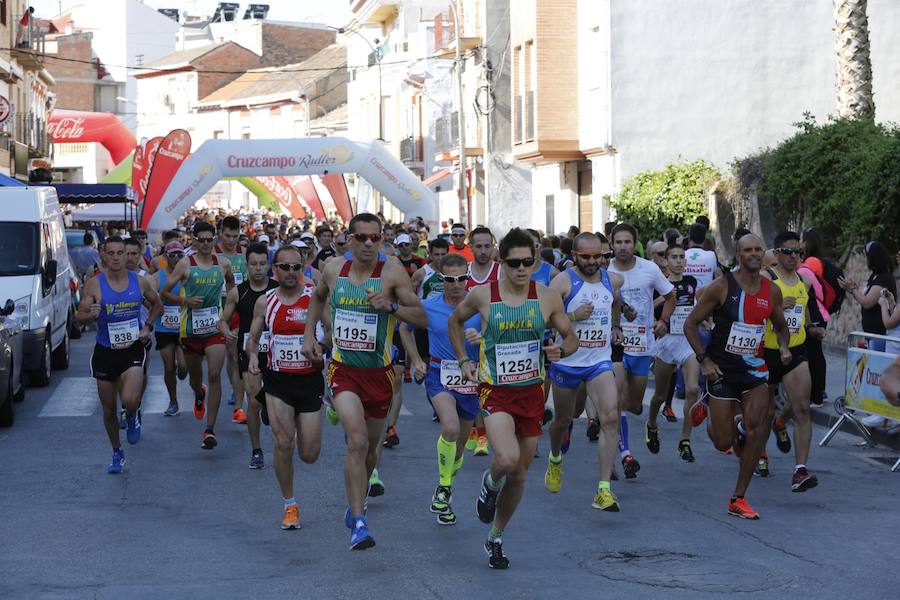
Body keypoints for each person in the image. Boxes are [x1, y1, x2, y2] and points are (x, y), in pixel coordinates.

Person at [448, 227, 577, 569]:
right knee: (505, 460)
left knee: (519, 474)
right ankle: (489, 484)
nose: (522, 269)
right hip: (496, 392)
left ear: (535, 261)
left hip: (532, 393)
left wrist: (560, 350)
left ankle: (496, 537)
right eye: (515, 263)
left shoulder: (547, 296)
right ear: (500, 262)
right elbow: (455, 321)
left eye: (528, 262)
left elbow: (571, 338)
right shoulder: (483, 295)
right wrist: (463, 359)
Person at [302, 213, 427, 550]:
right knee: (356, 441)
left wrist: (392, 307)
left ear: (382, 238)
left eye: (375, 237)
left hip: (379, 374)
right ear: (350, 238)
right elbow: (317, 297)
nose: (369, 243)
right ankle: (359, 521)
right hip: (343, 370)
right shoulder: (333, 269)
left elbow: (421, 316)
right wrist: (308, 335)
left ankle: (355, 501)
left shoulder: (391, 273)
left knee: (371, 449)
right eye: (362, 238)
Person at [684, 233, 792, 519]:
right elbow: (690, 324)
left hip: (755, 370)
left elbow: (781, 326)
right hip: (721, 370)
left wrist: (783, 347)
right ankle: (710, 410)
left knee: (758, 429)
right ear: (738, 254)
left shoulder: (772, 291)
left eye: (759, 249)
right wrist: (704, 360)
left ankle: (738, 498)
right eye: (748, 250)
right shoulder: (721, 287)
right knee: (722, 443)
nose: (754, 254)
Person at [401, 253, 482, 525]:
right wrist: (415, 360)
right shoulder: (429, 306)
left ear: (467, 278)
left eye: (461, 279)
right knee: (450, 427)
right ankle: (444, 488)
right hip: (439, 373)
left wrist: (481, 338)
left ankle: (444, 490)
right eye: (450, 279)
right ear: (441, 279)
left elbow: (499, 334)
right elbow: (404, 328)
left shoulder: (480, 306)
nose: (456, 284)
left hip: (471, 377)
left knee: (458, 448)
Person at [545, 233, 625, 510]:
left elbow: (615, 302)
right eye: (586, 257)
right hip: (568, 362)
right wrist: (572, 316)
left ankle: (603, 489)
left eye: (598, 256)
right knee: (564, 420)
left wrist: (615, 327)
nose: (593, 262)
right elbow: (544, 318)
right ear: (574, 256)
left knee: (611, 417)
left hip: (599, 362)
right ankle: (555, 458)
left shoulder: (613, 279)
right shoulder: (563, 282)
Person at [247, 245, 324, 530]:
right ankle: (289, 504)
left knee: (309, 454)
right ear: (274, 270)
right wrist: (253, 357)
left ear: (303, 268)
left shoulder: (314, 298)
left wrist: (320, 348)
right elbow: (253, 338)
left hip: (309, 379)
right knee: (283, 441)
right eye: (285, 267)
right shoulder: (265, 302)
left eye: (296, 267)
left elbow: (330, 334)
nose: (291, 273)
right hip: (278, 381)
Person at [76, 237, 162, 473]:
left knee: (130, 399)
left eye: (120, 253)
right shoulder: (94, 285)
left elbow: (158, 305)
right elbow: (79, 316)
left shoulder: (140, 282)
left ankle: (133, 414)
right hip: (105, 351)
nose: (115, 257)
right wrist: (89, 315)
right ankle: (117, 452)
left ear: (128, 255)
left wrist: (148, 326)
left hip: (133, 348)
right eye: (110, 253)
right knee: (108, 410)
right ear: (103, 255)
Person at [608, 223, 675, 479]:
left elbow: (671, 295)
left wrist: (663, 321)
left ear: (634, 243)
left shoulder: (649, 269)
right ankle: (623, 455)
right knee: (615, 404)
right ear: (612, 244)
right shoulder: (606, 270)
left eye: (628, 242)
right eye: (618, 242)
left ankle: (619, 431)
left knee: (633, 405)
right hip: (613, 343)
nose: (623, 246)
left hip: (642, 344)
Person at [161, 222, 235, 450]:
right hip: (190, 331)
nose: (205, 244)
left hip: (214, 329)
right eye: (201, 240)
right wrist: (185, 301)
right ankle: (198, 392)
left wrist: (228, 310)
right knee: (196, 379)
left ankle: (209, 429)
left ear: (214, 240)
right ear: (193, 240)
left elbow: (232, 286)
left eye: (209, 240)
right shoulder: (185, 264)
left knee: (214, 375)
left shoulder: (223, 263)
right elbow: (163, 293)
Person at [757, 232, 821, 490]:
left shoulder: (804, 282)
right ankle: (760, 453)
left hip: (795, 349)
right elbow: (753, 309)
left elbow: (803, 313)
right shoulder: (765, 279)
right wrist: (777, 308)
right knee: (764, 412)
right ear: (777, 253)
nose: (794, 257)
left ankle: (800, 471)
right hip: (767, 351)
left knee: (802, 408)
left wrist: (812, 327)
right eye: (788, 252)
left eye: (798, 252)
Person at [219, 242, 279, 469]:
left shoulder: (277, 289)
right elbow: (223, 320)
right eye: (253, 264)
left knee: (275, 400)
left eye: (262, 264)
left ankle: (270, 415)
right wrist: (228, 333)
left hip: (275, 351)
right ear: (247, 266)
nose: (258, 268)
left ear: (269, 265)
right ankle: (256, 450)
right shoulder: (238, 292)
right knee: (253, 400)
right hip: (249, 351)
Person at [646, 244, 703, 462]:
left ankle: (685, 441)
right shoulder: (659, 284)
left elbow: (693, 306)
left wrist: (705, 320)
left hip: (688, 340)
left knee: (692, 389)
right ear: (665, 262)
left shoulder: (691, 282)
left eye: (682, 257)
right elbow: (648, 308)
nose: (679, 261)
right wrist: (666, 297)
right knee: (660, 395)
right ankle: (651, 423)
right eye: (674, 257)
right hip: (666, 342)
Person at [465, 227, 502, 455]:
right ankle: (473, 429)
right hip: (466, 341)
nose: (483, 250)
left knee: (485, 388)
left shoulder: (501, 273)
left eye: (487, 246)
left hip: (492, 343)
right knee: (470, 389)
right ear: (470, 248)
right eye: (478, 246)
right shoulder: (463, 273)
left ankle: (483, 435)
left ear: (493, 246)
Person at [150, 241, 189, 416]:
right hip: (164, 327)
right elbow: (150, 299)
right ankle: (173, 401)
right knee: (168, 367)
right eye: (172, 255)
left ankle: (183, 373)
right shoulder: (158, 277)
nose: (176, 259)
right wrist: (158, 303)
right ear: (166, 257)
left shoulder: (187, 275)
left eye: (179, 255)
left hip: (183, 327)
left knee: (182, 366)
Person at [218, 216, 249, 424]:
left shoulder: (244, 254)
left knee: (235, 354)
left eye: (235, 236)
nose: (231, 240)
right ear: (220, 233)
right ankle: (233, 387)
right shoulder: (212, 255)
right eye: (227, 236)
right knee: (229, 357)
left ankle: (239, 406)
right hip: (218, 309)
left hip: (238, 309)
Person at [839, 241, 897, 352]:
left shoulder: (884, 278)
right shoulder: (875, 276)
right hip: (871, 334)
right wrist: (852, 288)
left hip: (879, 334)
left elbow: (867, 302)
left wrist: (852, 289)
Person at [799, 228, 832, 407]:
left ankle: (817, 396)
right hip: (818, 312)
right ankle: (819, 393)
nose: (800, 244)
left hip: (815, 312)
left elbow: (804, 289)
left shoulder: (810, 263)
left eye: (802, 240)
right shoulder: (818, 261)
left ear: (807, 242)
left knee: (814, 355)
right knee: (815, 355)